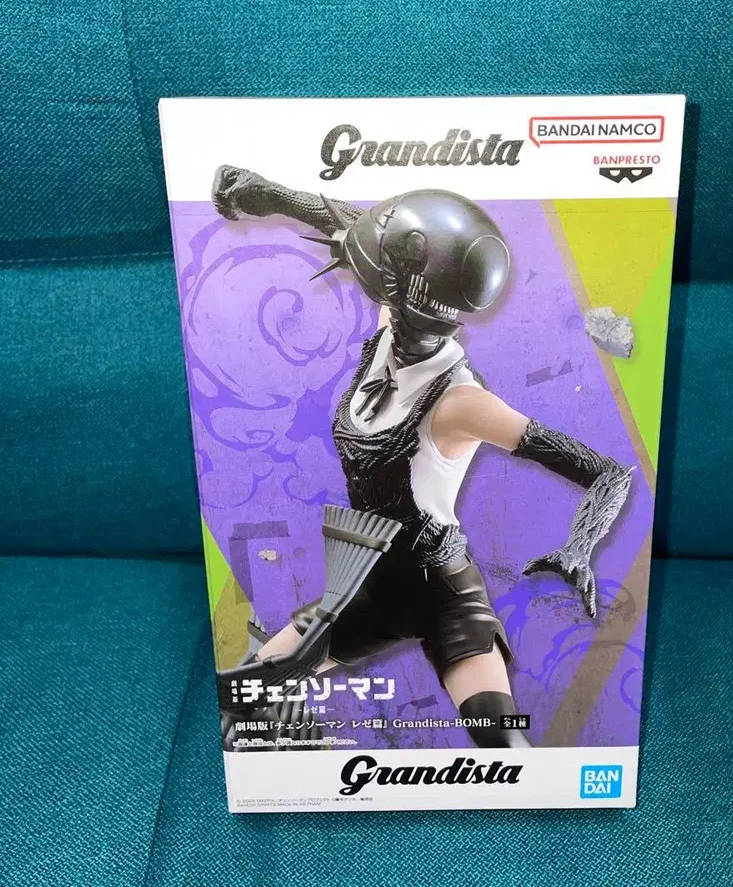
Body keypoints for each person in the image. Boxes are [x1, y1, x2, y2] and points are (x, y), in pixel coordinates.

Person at [212, 167, 633, 748]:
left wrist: (580, 546)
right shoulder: (392, 328)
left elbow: (605, 472)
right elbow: (363, 229)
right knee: (245, 694)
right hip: (364, 591)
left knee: (503, 742)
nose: (370, 270)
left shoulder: (463, 403)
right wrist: (267, 195)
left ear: (406, 290)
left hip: (445, 596)